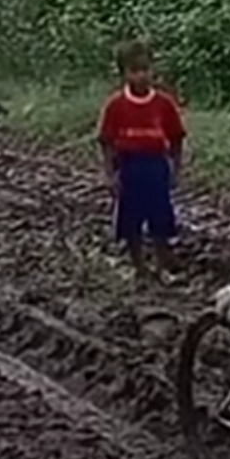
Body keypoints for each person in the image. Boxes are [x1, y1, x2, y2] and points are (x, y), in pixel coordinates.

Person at [97, 40, 186, 283]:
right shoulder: (115, 105)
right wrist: (110, 174)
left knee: (161, 217)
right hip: (129, 165)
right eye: (135, 71)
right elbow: (106, 141)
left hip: (156, 165)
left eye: (146, 69)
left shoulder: (163, 104)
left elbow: (177, 138)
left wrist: (176, 170)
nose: (142, 76)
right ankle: (139, 267)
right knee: (131, 218)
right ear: (123, 73)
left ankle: (161, 264)